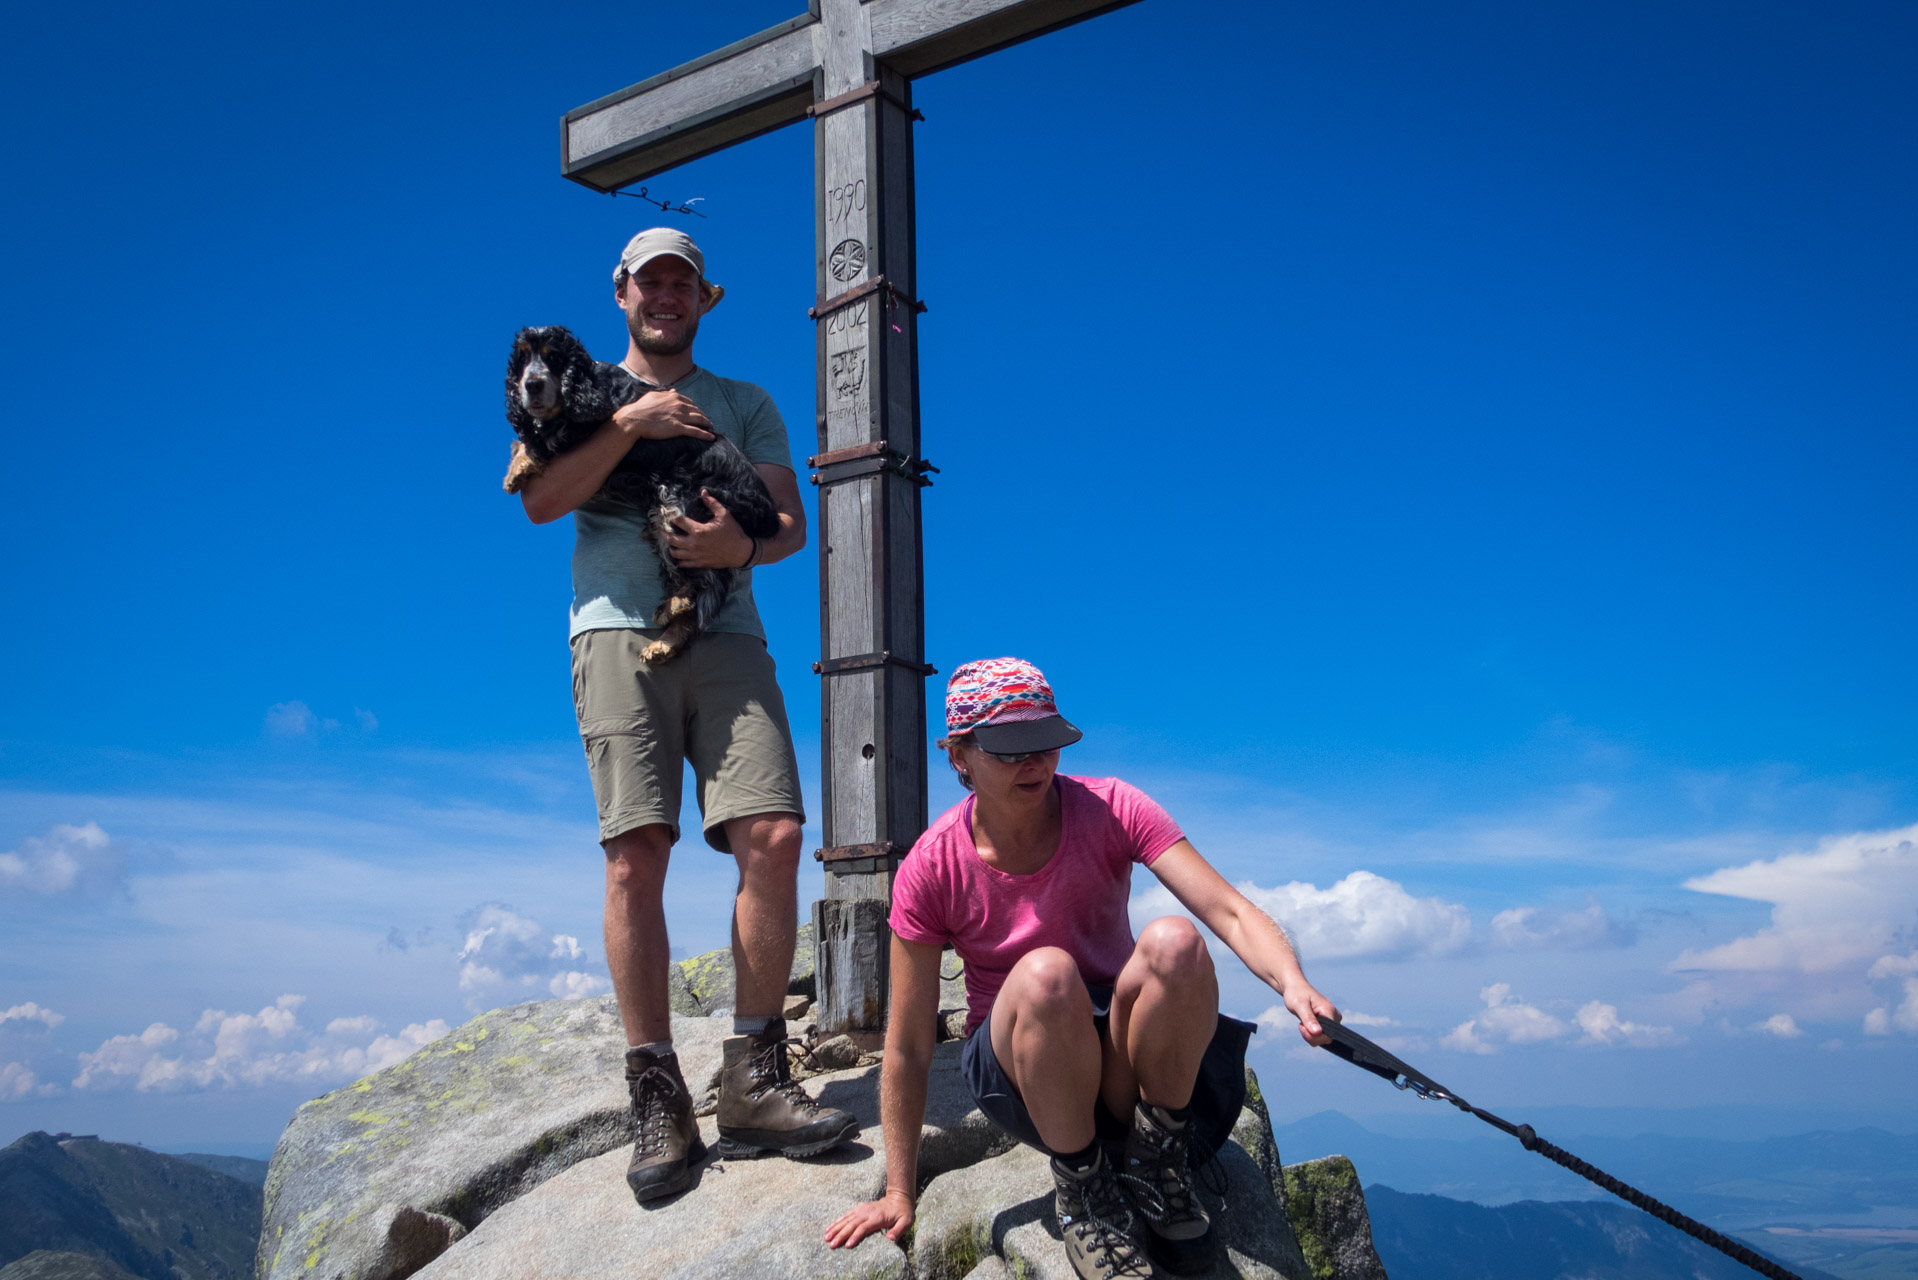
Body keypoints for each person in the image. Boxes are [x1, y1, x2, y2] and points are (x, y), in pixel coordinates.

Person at [515, 227, 856, 1203]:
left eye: (681, 284)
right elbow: (542, 500)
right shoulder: (573, 384)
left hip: (727, 627)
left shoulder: (745, 402)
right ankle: (657, 1089)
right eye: (647, 282)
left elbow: (788, 525)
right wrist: (635, 424)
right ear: (619, 293)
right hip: (616, 630)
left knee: (777, 832)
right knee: (637, 850)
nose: (664, 297)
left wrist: (735, 553)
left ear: (705, 296)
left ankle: (751, 1077)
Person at [824, 658, 1341, 1279]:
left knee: (1176, 943)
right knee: (1046, 974)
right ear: (959, 755)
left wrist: (1294, 983)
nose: (1034, 762)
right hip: (1023, 1063)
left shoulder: (1112, 806)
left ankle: (1155, 1163)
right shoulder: (934, 867)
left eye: (1045, 743)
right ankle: (1084, 1192)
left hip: (1116, 1050)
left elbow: (1227, 912)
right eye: (1010, 748)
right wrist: (899, 1191)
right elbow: (907, 1042)